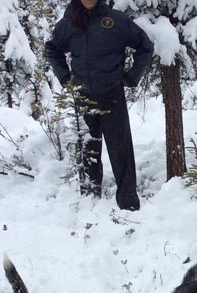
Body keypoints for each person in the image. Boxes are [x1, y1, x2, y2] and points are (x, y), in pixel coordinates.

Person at [46, 0, 154, 211]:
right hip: (83, 98)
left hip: (112, 94)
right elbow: (53, 49)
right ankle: (90, 196)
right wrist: (65, 78)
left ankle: (128, 202)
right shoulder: (69, 22)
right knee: (88, 148)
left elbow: (145, 46)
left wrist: (131, 77)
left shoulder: (115, 20)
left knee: (120, 150)